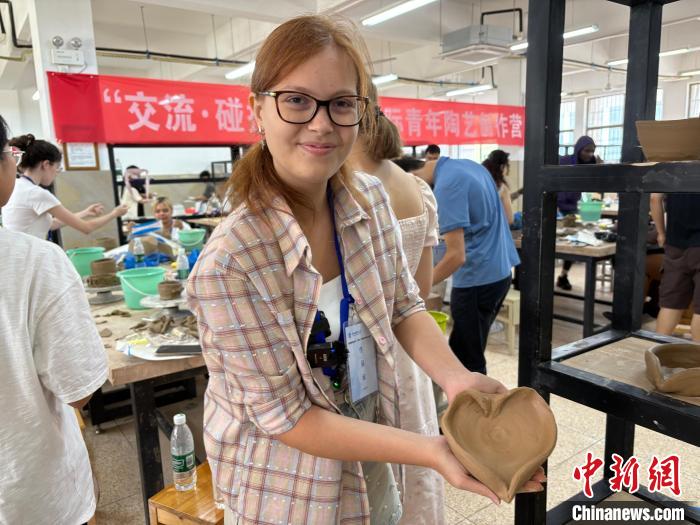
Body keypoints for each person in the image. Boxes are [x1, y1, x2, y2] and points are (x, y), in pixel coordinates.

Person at [186, 15, 544, 525]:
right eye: (296, 100)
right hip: (286, 484)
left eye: (341, 103)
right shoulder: (232, 263)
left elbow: (403, 305)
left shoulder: (368, 201)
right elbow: (288, 420)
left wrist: (458, 380)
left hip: (369, 438)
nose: (321, 124)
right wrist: (432, 450)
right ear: (258, 110)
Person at [0, 116, 108, 524]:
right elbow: (78, 390)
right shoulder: (37, 260)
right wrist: (117, 210)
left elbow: (57, 220)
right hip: (28, 493)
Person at [348, 87, 444, 525]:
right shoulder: (416, 187)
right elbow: (420, 290)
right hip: (411, 348)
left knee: (370, 471)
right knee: (415, 452)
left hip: (359, 354)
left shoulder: (346, 188)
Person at [413, 157, 520, 375]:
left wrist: (416, 289)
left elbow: (456, 256)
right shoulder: (470, 167)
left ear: (411, 177)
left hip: (476, 280)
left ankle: (477, 397)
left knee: (466, 361)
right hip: (500, 274)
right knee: (471, 349)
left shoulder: (447, 186)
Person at [1, 134, 128, 239]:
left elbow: (51, 224)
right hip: (27, 255)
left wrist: (85, 212)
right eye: (57, 168)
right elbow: (86, 228)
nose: (57, 173)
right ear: (46, 164)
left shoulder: (18, 186)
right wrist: (114, 213)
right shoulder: (37, 193)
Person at [651, 192, 700, 340]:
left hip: (675, 244)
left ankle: (656, 350)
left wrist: (661, 233)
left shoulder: (672, 174)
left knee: (670, 305)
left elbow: (655, 198)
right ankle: (696, 355)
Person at [556, 135, 602, 290]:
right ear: (578, 149)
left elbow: (596, 185)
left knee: (572, 241)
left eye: (592, 151)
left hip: (571, 208)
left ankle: (563, 275)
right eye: (586, 151)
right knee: (555, 241)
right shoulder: (564, 161)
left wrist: (600, 169)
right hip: (554, 205)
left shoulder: (592, 163)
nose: (589, 154)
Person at [482, 149, 514, 225]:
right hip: (494, 228)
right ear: (502, 167)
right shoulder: (501, 188)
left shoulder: (478, 182)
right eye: (507, 166)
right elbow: (509, 219)